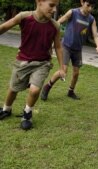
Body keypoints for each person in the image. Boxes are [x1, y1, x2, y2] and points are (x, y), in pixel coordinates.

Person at [0, 0, 65, 130]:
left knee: (34, 90)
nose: (54, 10)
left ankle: (27, 113)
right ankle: (6, 109)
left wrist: (62, 67)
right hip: (22, 61)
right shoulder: (24, 17)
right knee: (13, 89)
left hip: (42, 63)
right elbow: (4, 27)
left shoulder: (55, 26)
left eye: (56, 6)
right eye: (51, 5)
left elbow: (57, 47)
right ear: (39, 2)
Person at [41, 0, 98, 101]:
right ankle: (47, 87)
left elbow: (95, 34)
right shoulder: (73, 12)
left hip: (78, 49)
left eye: (92, 6)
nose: (90, 8)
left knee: (76, 73)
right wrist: (51, 38)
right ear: (82, 2)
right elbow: (58, 22)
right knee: (63, 71)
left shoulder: (91, 19)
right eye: (88, 5)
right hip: (66, 46)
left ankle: (70, 91)